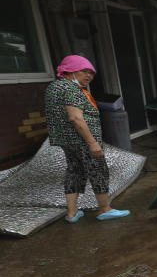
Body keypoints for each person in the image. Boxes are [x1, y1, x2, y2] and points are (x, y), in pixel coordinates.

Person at [44, 55, 130, 222]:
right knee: (98, 171)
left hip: (66, 140)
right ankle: (105, 209)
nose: (89, 76)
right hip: (82, 140)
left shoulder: (54, 87)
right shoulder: (71, 89)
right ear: (70, 70)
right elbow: (75, 118)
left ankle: (72, 213)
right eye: (84, 71)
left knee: (74, 172)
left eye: (91, 73)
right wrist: (92, 143)